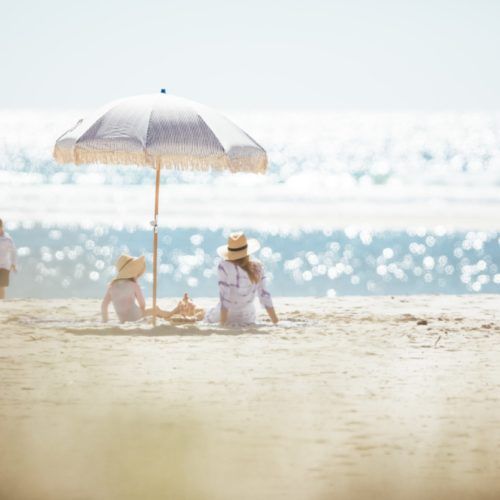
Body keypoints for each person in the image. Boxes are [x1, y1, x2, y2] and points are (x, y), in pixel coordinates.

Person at [101, 254, 203, 323]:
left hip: (122, 320)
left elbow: (104, 305)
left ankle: (175, 311)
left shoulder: (111, 287)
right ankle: (173, 313)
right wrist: (142, 311)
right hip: (136, 317)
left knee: (152, 310)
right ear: (133, 272)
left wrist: (105, 321)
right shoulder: (133, 285)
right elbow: (142, 304)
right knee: (155, 309)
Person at [205, 232, 278, 326]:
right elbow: (264, 296)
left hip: (227, 315)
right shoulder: (258, 267)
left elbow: (225, 297)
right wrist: (275, 322)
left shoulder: (224, 265)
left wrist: (222, 323)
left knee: (206, 313)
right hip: (248, 317)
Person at [0, 219, 17, 300]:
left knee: (2, 285)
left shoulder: (7, 239)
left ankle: (2, 302)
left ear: (2, 227)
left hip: (5, 265)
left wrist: (13, 264)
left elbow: (13, 252)